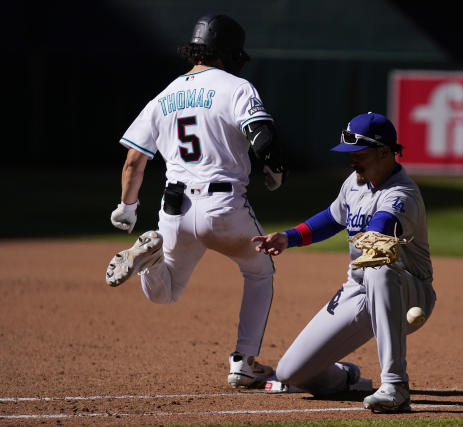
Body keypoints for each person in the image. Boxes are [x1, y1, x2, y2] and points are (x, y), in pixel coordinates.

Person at [104, 13, 287, 388]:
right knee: (260, 271)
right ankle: (243, 362)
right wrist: (274, 168)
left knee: (165, 293)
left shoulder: (165, 95)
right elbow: (262, 136)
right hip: (223, 208)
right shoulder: (237, 87)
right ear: (230, 52)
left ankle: (150, 255)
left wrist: (127, 208)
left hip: (174, 209)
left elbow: (134, 160)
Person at [252, 112, 437, 413]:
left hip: (408, 293)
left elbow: (385, 222)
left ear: (384, 152)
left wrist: (376, 233)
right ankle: (346, 377)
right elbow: (332, 218)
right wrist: (288, 237)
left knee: (378, 266)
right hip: (358, 289)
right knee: (291, 373)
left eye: (358, 154)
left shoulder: (402, 194)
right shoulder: (355, 182)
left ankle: (395, 385)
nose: (351, 160)